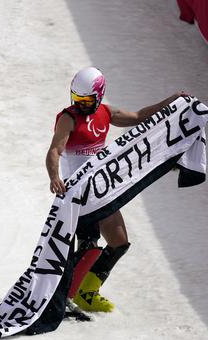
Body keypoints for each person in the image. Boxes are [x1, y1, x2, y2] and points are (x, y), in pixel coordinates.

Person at [45, 66, 184, 312]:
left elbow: (140, 116)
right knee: (88, 246)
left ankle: (86, 292)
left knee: (119, 243)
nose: (80, 104)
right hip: (80, 195)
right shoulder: (68, 118)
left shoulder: (106, 114)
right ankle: (63, 298)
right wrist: (54, 176)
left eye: (86, 100)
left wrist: (171, 102)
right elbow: (55, 150)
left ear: (98, 96)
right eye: (76, 99)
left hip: (102, 191)